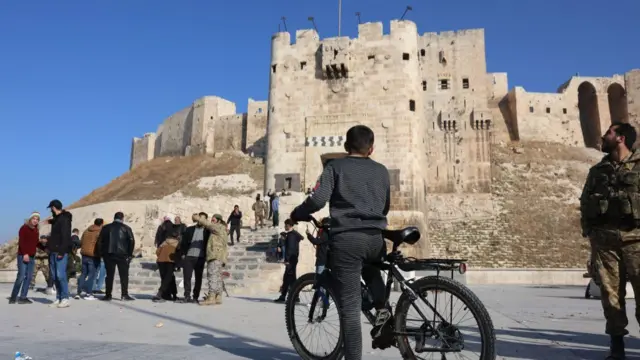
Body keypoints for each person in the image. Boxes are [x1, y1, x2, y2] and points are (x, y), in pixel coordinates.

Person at [290, 125, 392, 359]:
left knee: (349, 309)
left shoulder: (335, 167)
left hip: (347, 240)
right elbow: (385, 207)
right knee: (372, 271)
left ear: (346, 147)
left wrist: (297, 213)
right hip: (376, 239)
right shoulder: (382, 171)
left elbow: (317, 200)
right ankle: (384, 311)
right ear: (371, 148)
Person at [580, 122, 640, 360]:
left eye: (609, 133)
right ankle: (617, 349)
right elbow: (585, 203)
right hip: (605, 244)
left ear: (620, 138)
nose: (603, 135)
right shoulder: (598, 171)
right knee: (610, 296)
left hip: (636, 240)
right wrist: (590, 234)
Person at [98, 211, 136, 301]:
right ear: (122, 218)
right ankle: (124, 295)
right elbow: (131, 241)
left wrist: (102, 253)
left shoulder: (105, 228)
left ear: (114, 218)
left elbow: (100, 242)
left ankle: (108, 295)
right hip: (122, 255)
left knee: (109, 275)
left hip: (109, 254)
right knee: (124, 275)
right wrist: (130, 254)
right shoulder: (126, 228)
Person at [44, 199, 73, 308]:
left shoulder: (64, 219)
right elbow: (56, 223)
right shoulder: (57, 219)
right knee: (55, 276)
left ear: (53, 208)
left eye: (51, 208)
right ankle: (59, 297)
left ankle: (65, 298)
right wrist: (50, 221)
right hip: (53, 251)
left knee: (61, 276)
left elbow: (65, 236)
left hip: (60, 252)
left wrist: (62, 251)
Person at [197, 214, 228, 306]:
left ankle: (211, 297)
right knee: (217, 277)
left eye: (213, 220)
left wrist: (199, 218)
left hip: (215, 255)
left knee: (212, 276)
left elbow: (208, 225)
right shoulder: (223, 229)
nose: (212, 221)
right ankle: (218, 296)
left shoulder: (218, 227)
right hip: (219, 256)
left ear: (218, 221)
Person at [10, 212, 41, 304]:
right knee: (21, 276)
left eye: (37, 219)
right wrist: (25, 254)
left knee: (29, 277)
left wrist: (44, 246)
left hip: (32, 256)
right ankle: (13, 297)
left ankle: (23, 297)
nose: (35, 221)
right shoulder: (24, 228)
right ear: (30, 219)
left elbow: (36, 243)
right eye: (34, 219)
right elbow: (22, 242)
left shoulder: (36, 230)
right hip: (23, 255)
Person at [179, 212, 209, 303]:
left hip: (201, 257)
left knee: (198, 278)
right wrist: (183, 253)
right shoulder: (189, 229)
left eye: (203, 219)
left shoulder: (207, 231)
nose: (201, 221)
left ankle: (195, 296)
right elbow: (183, 242)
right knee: (187, 277)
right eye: (200, 218)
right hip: (189, 256)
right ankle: (187, 296)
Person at [274, 219, 303, 303]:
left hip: (290, 260)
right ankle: (284, 296)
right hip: (293, 260)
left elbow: (290, 250)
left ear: (289, 225)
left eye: (285, 225)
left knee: (291, 279)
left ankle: (295, 297)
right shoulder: (293, 234)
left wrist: (287, 260)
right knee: (287, 278)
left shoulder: (291, 236)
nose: (284, 227)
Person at [75, 218, 103, 300]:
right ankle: (89, 293)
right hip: (93, 256)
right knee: (92, 275)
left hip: (84, 254)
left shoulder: (86, 231)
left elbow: (81, 242)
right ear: (101, 224)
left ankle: (78, 293)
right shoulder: (99, 232)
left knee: (83, 274)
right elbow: (100, 244)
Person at [153, 224, 181, 302]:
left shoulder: (164, 242)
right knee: (168, 278)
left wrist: (161, 255)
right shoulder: (177, 243)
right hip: (170, 261)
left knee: (166, 278)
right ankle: (160, 293)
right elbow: (178, 254)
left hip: (160, 261)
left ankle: (167, 295)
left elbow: (157, 252)